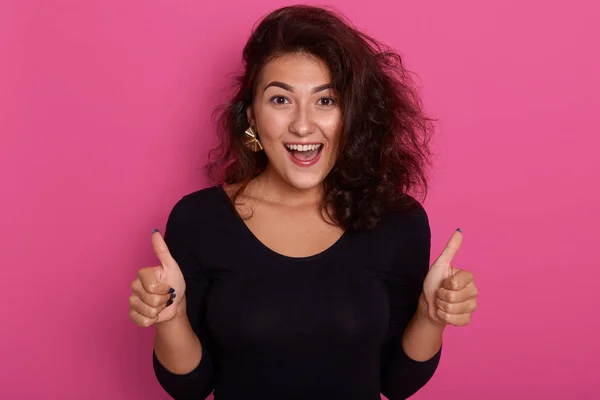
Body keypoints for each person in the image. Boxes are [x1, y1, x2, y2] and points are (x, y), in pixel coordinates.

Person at [128, 4, 479, 400]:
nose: (302, 124)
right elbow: (189, 387)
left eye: (325, 101)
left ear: (351, 115)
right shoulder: (198, 220)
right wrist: (171, 319)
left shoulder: (398, 221)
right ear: (251, 117)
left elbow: (396, 383)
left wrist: (431, 317)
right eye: (281, 100)